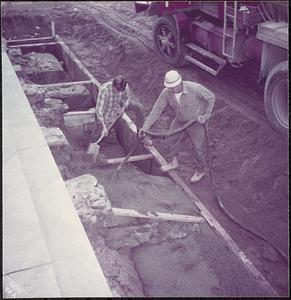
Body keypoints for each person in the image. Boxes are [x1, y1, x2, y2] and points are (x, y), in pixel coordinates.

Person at [140, 70, 215, 182]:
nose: (171, 89)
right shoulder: (166, 93)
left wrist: (206, 115)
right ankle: (173, 162)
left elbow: (211, 97)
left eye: (173, 87)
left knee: (198, 148)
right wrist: (145, 128)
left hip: (196, 122)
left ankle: (200, 170)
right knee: (171, 138)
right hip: (180, 119)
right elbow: (156, 111)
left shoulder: (194, 88)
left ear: (180, 83)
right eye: (169, 87)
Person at [87, 75, 145, 157]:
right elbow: (99, 111)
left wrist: (123, 107)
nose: (119, 93)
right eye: (117, 91)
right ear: (113, 86)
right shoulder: (104, 90)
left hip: (119, 105)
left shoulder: (124, 86)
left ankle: (140, 133)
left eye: (121, 91)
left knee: (140, 107)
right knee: (98, 132)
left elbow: (127, 98)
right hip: (106, 111)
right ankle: (90, 150)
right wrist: (104, 127)